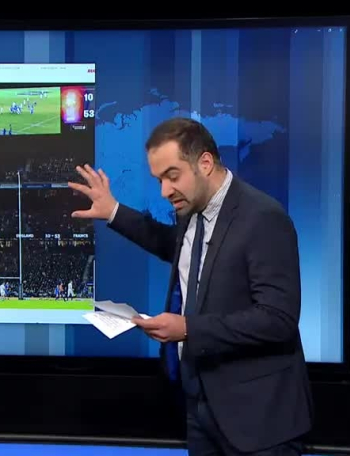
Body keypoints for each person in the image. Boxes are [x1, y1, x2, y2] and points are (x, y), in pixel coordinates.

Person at [68, 117, 313, 456]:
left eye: (172, 176)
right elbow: (181, 250)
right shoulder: (192, 209)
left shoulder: (263, 218)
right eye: (159, 180)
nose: (165, 191)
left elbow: (278, 319)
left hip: (260, 421)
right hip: (201, 409)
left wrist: (187, 329)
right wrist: (114, 211)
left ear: (205, 163)